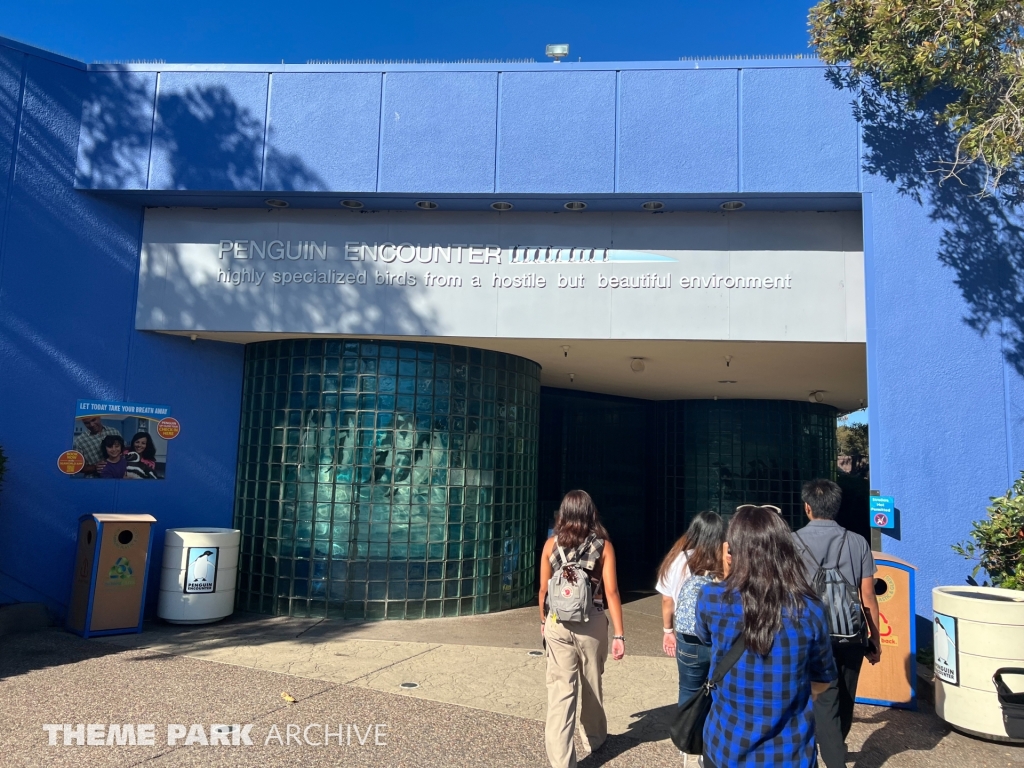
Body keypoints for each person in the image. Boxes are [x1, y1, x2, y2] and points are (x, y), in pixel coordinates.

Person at [696, 505, 837, 768]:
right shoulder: (810, 608)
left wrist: (729, 571)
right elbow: (823, 678)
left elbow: (707, 640)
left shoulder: (710, 599)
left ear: (732, 550)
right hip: (789, 753)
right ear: (785, 550)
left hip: (726, 746)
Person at [794, 479, 881, 768]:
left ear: (807, 507)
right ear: (837, 506)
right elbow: (867, 595)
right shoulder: (857, 542)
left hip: (809, 635)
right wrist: (874, 639)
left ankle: (828, 754)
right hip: (851, 634)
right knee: (844, 697)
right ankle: (835, 747)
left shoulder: (792, 542)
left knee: (821, 700)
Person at [538, 490, 625, 768]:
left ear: (563, 513)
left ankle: (562, 762)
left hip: (557, 623)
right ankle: (595, 737)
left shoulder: (551, 545)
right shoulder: (604, 546)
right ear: (591, 513)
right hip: (592, 621)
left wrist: (543, 621)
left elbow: (543, 589)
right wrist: (619, 635)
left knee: (561, 691)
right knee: (592, 682)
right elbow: (611, 592)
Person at [656, 511, 726, 705]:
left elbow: (667, 600)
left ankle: (687, 734)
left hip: (688, 637)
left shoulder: (677, 560)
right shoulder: (724, 561)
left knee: (688, 689)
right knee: (720, 689)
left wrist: (668, 630)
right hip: (718, 635)